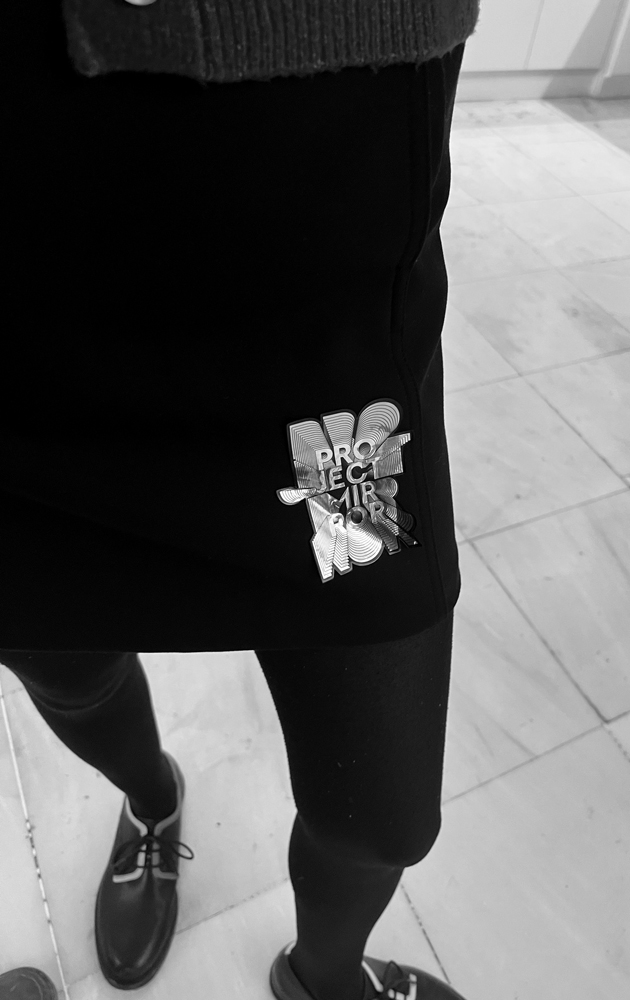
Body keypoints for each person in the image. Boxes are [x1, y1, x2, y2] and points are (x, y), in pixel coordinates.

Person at [0, 2, 479, 998]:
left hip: (326, 371)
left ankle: (322, 976)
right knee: (68, 668)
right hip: (18, 377)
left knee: (383, 811)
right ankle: (152, 803)